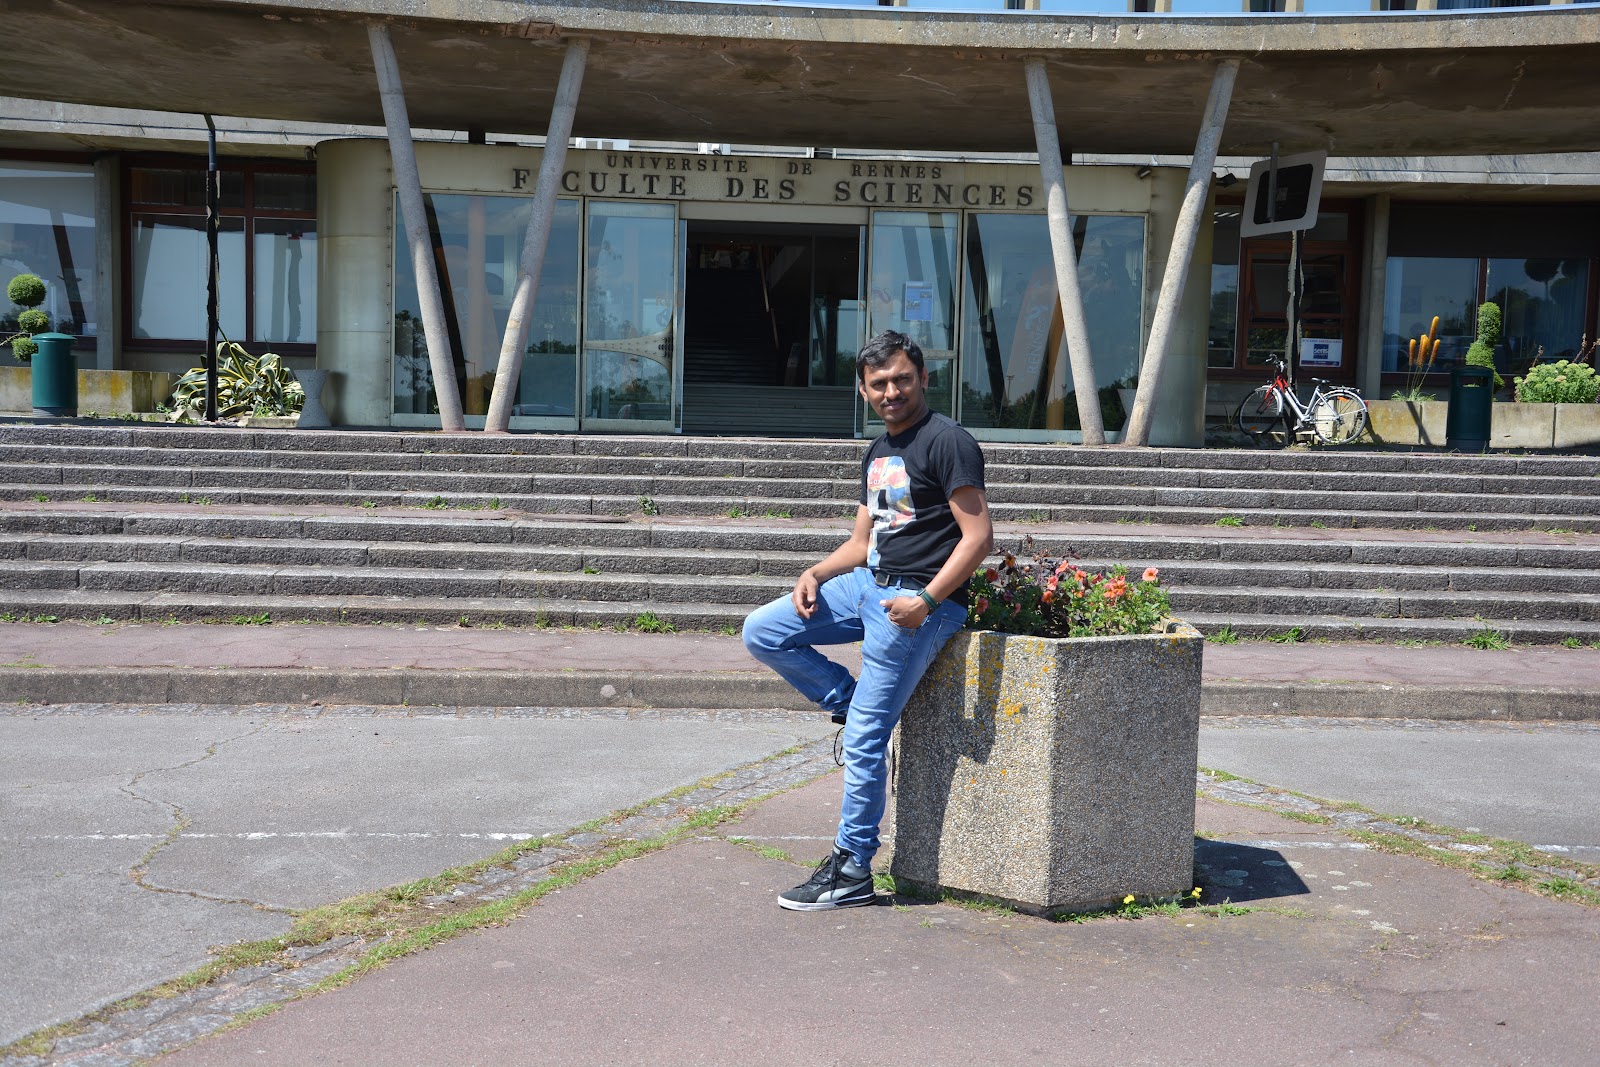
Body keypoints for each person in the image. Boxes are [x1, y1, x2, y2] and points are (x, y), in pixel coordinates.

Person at [742, 330, 994, 911]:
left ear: (924, 379)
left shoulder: (948, 442)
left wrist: (926, 601)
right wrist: (816, 572)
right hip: (866, 583)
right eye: (879, 383)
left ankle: (853, 867)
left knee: (864, 739)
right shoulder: (879, 450)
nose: (892, 391)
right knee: (764, 630)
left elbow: (978, 537)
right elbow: (864, 540)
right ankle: (845, 697)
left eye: (902, 379)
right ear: (863, 389)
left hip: (914, 604)